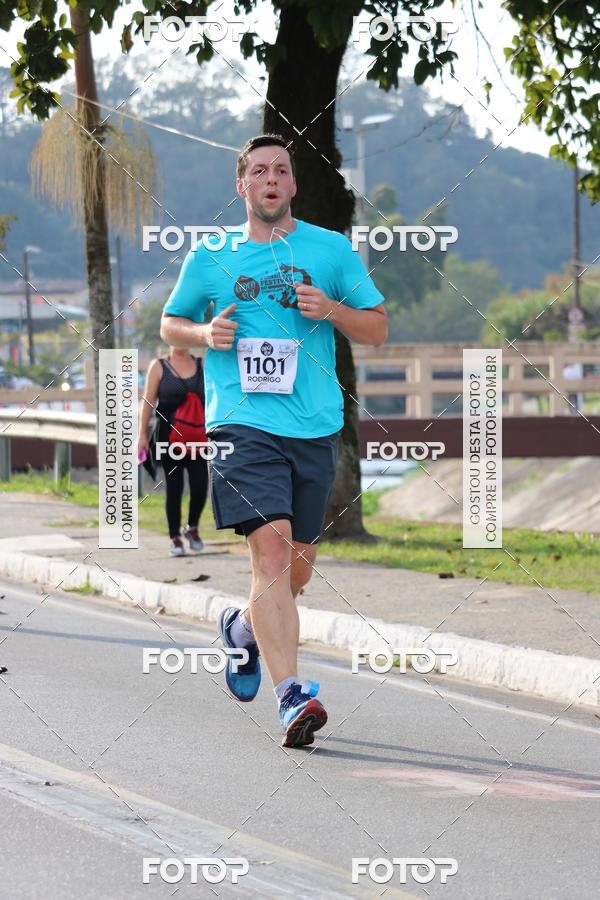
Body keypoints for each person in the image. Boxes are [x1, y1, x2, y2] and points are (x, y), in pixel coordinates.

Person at [160, 133, 387, 747]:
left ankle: (240, 627)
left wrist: (332, 311)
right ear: (242, 187)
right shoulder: (211, 256)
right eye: (257, 171)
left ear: (292, 185)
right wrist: (206, 333)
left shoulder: (331, 249)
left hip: (313, 425)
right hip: (240, 422)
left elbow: (377, 330)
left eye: (280, 170)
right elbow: (169, 323)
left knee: (297, 573)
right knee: (271, 553)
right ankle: (291, 696)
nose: (270, 179)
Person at [138, 347, 208, 556]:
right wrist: (141, 434)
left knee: (200, 486)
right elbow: (148, 402)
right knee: (174, 488)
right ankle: (174, 537)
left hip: (198, 437)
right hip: (169, 438)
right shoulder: (159, 366)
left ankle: (192, 527)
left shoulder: (202, 364)